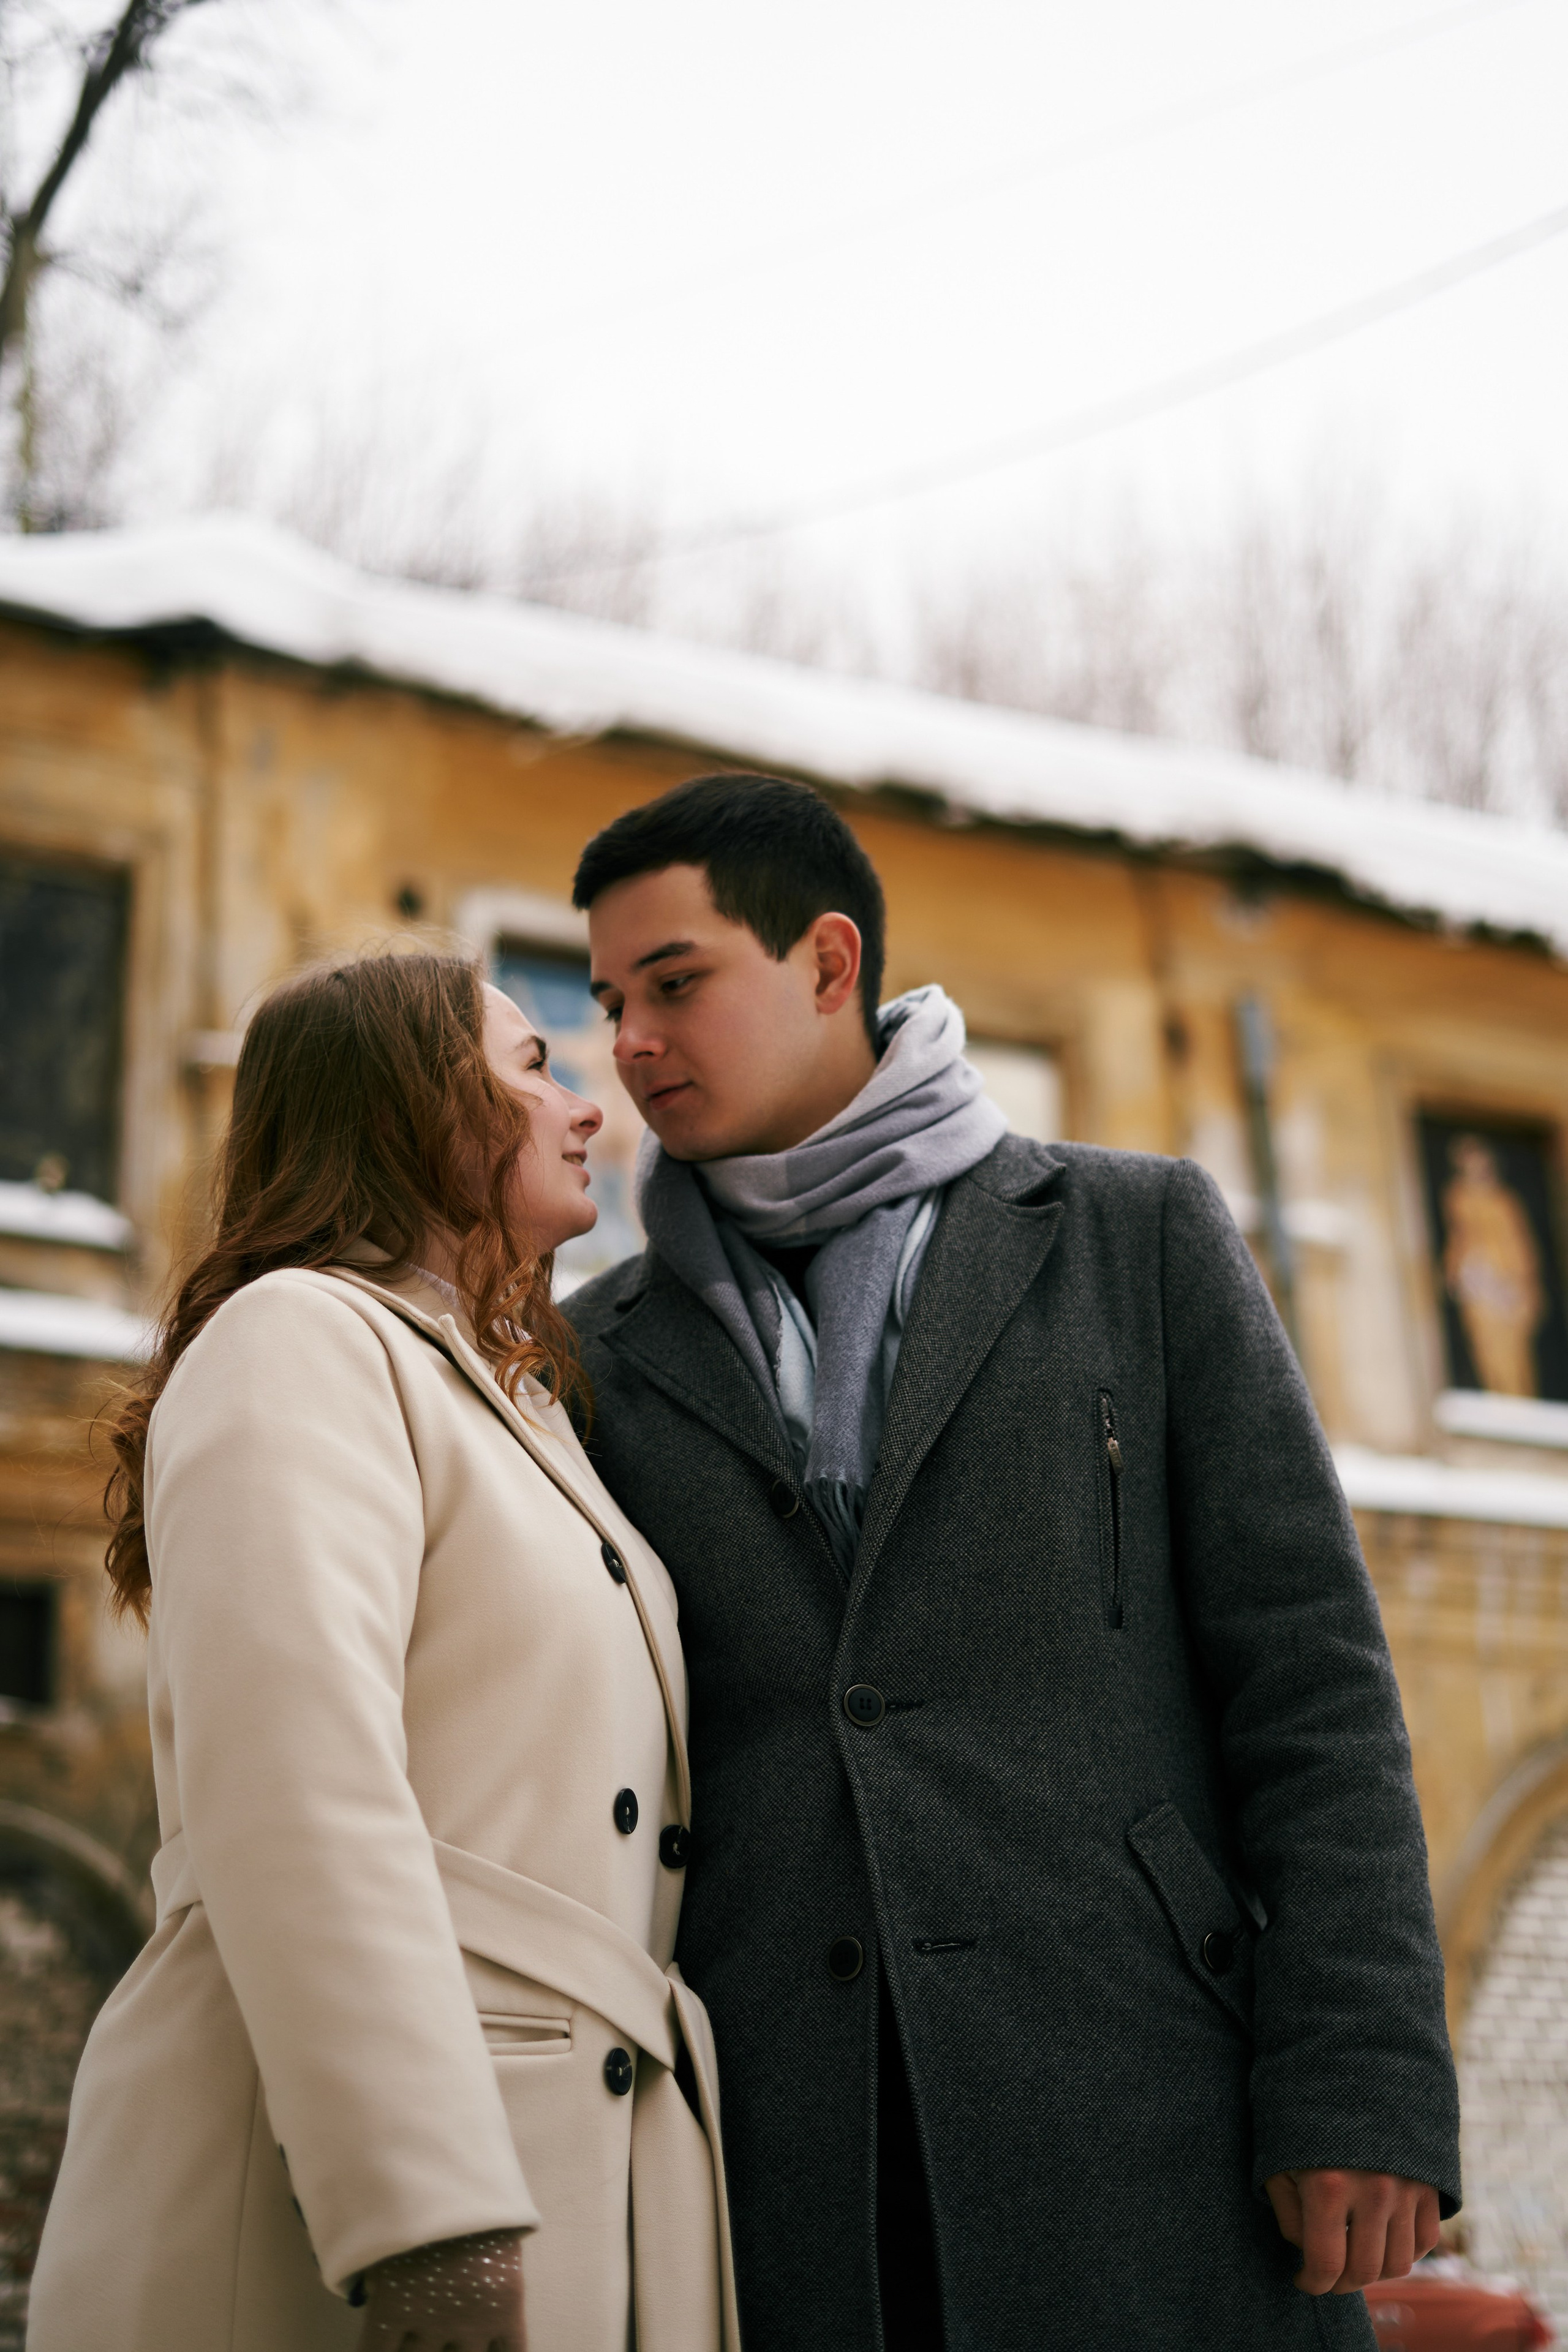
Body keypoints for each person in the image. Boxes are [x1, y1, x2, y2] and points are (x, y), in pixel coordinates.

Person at [564, 772, 1462, 2352]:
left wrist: (1360, 2070)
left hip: (1146, 2106)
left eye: (676, 985)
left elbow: (1310, 1680)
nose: (627, 1042)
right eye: (606, 1001)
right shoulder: (594, 1356)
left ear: (828, 963)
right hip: (777, 2161)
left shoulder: (1135, 1237)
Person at [28, 952, 738, 2352]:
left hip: (571, 2156)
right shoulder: (298, 1335)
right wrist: (429, 2215)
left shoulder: (511, 1405)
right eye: (535, 1065)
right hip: (353, 2202)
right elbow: (298, 1791)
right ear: (415, 1104)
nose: (585, 1105)